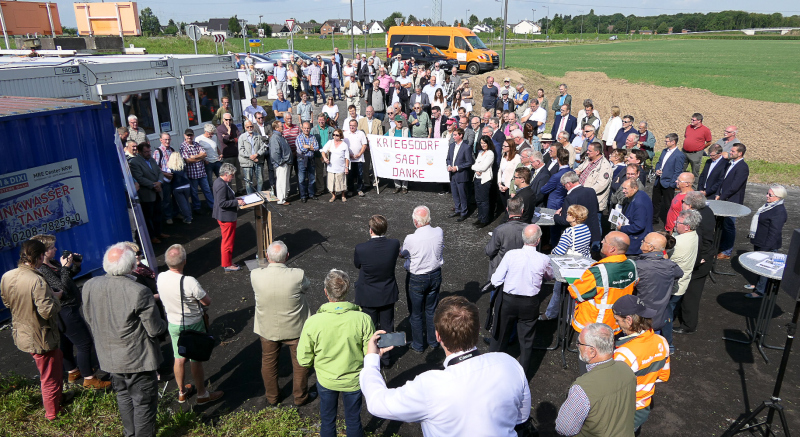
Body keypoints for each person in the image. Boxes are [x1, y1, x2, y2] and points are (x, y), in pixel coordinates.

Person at [360, 296, 531, 436]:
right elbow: (521, 417)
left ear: (438, 336)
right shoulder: (508, 363)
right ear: (478, 330)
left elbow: (377, 403)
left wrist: (371, 359)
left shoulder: (429, 386)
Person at [82, 243, 168, 436]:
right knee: (144, 403)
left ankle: (129, 434)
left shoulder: (89, 285)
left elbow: (89, 318)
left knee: (123, 396)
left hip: (109, 356)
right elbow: (154, 329)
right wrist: (166, 323)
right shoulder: (138, 291)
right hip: (137, 359)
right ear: (131, 266)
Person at [297, 269, 374, 437]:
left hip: (326, 380)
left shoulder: (313, 322)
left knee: (327, 420)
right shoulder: (363, 319)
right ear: (347, 290)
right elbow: (370, 353)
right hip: (353, 380)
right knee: (353, 420)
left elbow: (303, 360)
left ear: (326, 292)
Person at [30, 235, 110, 390]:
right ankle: (89, 379)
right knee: (84, 343)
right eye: (52, 247)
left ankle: (73, 371)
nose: (55, 249)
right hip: (65, 310)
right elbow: (63, 287)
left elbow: (66, 278)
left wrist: (75, 266)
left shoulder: (52, 263)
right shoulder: (43, 270)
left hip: (65, 309)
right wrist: (66, 267)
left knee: (65, 343)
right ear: (44, 252)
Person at [1, 240, 65, 420]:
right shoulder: (36, 280)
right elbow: (47, 311)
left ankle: (57, 402)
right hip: (41, 336)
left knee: (53, 368)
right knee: (49, 377)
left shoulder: (7, 275)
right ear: (39, 257)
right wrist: (56, 297)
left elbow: (7, 302)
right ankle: (53, 413)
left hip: (22, 333)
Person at [157, 245, 223, 404]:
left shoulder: (161, 277)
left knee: (178, 358)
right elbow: (207, 301)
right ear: (184, 262)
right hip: (193, 324)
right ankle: (202, 394)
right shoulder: (189, 281)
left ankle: (181, 392)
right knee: (195, 360)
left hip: (173, 323)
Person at [251, 241, 315, 407]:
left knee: (269, 362)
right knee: (300, 362)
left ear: (267, 257)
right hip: (295, 327)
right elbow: (306, 288)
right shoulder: (297, 275)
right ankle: (300, 397)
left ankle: (272, 397)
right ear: (287, 256)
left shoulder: (255, 274)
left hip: (267, 327)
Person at [489, 224, 554, 377]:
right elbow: (550, 276)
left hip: (508, 301)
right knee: (526, 341)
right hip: (529, 303)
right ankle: (522, 376)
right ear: (538, 241)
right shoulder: (544, 259)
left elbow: (496, 279)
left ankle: (492, 371)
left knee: (500, 335)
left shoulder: (511, 255)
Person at [555, 323, 636, 437]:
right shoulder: (626, 370)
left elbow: (564, 428)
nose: (577, 346)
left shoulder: (582, 388)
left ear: (592, 351)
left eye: (580, 343)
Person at [612, 295, 671, 430]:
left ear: (629, 320)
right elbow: (663, 376)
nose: (617, 324)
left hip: (624, 409)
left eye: (618, 320)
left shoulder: (624, 354)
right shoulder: (662, 341)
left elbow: (613, 389)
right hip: (643, 407)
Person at [353, 215, 401, 368]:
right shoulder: (394, 244)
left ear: (371, 230)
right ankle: (386, 359)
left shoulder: (361, 248)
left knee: (369, 328)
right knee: (387, 326)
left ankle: (371, 358)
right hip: (387, 292)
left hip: (368, 294)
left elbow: (357, 264)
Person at [569, 231, 638, 335]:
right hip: (617, 323)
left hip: (594, 326)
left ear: (612, 248)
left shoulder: (598, 272)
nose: (601, 241)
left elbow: (576, 292)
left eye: (605, 240)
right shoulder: (632, 265)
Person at [401, 206, 445, 353]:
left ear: (415, 221)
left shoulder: (411, 238)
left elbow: (403, 253)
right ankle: (433, 341)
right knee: (431, 309)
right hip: (435, 273)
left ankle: (419, 344)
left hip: (417, 277)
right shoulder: (438, 231)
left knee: (416, 312)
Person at [541, 205, 594, 321]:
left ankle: (551, 314)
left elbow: (559, 251)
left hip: (569, 265)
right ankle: (573, 317)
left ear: (575, 218)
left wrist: (552, 251)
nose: (567, 215)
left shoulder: (569, 231)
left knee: (558, 289)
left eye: (569, 214)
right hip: (583, 264)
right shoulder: (586, 228)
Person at [676, 191, 715, 334]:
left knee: (691, 294)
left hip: (700, 262)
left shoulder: (698, 219)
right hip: (704, 258)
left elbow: (703, 241)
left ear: (691, 205)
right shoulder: (708, 211)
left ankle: (688, 325)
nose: (682, 205)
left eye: (684, 202)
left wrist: (699, 259)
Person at [663, 210, 701, 347]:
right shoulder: (694, 235)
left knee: (666, 315)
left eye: (678, 222)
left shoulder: (677, 241)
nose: (675, 223)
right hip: (683, 283)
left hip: (673, 285)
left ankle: (668, 344)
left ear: (687, 226)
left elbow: (664, 257)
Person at [633, 233, 683, 333]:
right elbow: (680, 273)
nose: (641, 241)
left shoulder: (637, 266)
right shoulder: (670, 265)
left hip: (640, 318)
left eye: (644, 241)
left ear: (650, 247)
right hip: (658, 317)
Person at [744, 185, 787, 298]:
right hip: (760, 241)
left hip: (767, 244)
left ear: (778, 197)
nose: (766, 196)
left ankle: (760, 292)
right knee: (758, 266)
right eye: (767, 193)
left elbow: (774, 233)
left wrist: (765, 249)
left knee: (764, 268)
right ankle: (757, 285)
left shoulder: (779, 212)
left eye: (770, 195)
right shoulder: (769, 206)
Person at [129, 143, 169, 244]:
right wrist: (153, 185)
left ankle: (159, 232)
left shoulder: (152, 160)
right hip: (147, 194)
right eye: (146, 152)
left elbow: (159, 172)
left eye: (149, 151)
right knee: (148, 217)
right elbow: (139, 178)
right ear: (140, 152)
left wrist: (159, 182)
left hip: (158, 191)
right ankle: (152, 236)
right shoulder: (135, 162)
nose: (148, 153)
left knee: (158, 214)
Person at [716, 143, 750, 260]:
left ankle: (726, 252)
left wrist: (721, 196)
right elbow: (723, 180)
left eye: (733, 151)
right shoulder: (730, 164)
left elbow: (735, 186)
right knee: (722, 225)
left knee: (729, 226)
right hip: (724, 198)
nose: (730, 152)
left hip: (732, 201)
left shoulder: (742, 167)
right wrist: (718, 194)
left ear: (740, 153)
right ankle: (720, 246)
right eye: (731, 151)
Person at [212, 162, 246, 272]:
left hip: (223, 216)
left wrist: (235, 199)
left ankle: (228, 262)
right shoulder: (222, 185)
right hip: (226, 217)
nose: (233, 177)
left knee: (227, 241)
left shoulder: (218, 181)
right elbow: (222, 203)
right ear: (226, 174)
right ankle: (227, 264)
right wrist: (236, 202)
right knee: (227, 242)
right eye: (232, 175)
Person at [485, 197, 527, 284]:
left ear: (507, 209)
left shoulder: (500, 230)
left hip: (501, 270)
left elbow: (489, 251)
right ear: (522, 210)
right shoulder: (529, 229)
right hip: (521, 270)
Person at [554, 171, 602, 248]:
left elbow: (565, 221)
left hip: (577, 237)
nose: (565, 188)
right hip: (592, 233)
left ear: (568, 183)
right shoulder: (591, 191)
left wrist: (556, 216)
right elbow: (596, 209)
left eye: (564, 186)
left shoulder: (570, 198)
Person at [652, 133, 686, 225]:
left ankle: (668, 223)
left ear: (673, 142)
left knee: (668, 205)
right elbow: (659, 163)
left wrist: (671, 184)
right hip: (659, 181)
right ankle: (654, 219)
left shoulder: (679, 155)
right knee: (655, 202)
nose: (665, 143)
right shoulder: (664, 151)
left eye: (667, 141)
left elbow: (677, 171)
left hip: (668, 183)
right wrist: (657, 170)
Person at [446, 128, 475, 222]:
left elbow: (469, 162)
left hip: (461, 175)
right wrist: (449, 165)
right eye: (453, 135)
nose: (453, 137)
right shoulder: (451, 146)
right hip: (452, 175)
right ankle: (457, 209)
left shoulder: (466, 147)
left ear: (461, 135)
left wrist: (457, 167)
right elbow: (448, 158)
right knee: (454, 194)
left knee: (462, 194)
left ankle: (464, 212)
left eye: (455, 135)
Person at [618, 179, 653, 255]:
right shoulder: (641, 194)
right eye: (623, 188)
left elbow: (639, 226)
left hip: (637, 244)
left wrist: (622, 228)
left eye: (625, 189)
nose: (623, 191)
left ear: (634, 188)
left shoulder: (638, 203)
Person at [237, 121, 267, 195]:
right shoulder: (242, 137)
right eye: (248, 127)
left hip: (258, 160)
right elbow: (241, 150)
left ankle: (260, 195)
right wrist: (251, 157)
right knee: (248, 182)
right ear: (245, 127)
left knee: (260, 180)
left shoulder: (258, 136)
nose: (250, 128)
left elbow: (263, 147)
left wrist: (257, 154)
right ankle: (250, 197)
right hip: (247, 162)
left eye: (251, 126)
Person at [321, 128, 351, 202]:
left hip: (340, 166)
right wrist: (325, 158)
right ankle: (333, 195)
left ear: (340, 136)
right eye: (333, 135)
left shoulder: (344, 145)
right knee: (332, 183)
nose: (335, 136)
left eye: (337, 135)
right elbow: (323, 151)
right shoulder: (330, 142)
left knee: (341, 182)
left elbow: (347, 157)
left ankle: (343, 195)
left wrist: (346, 167)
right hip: (331, 167)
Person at [472, 135, 495, 228]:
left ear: (488, 143)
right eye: (481, 143)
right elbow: (474, 165)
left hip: (485, 180)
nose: (483, 145)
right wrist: (476, 168)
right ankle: (480, 217)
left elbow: (483, 167)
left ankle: (485, 219)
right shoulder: (480, 152)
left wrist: (475, 167)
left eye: (484, 143)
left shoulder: (490, 153)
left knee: (484, 200)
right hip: (477, 178)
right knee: (478, 200)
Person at [682, 112, 713, 182]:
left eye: (693, 120)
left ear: (699, 121)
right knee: (681, 168)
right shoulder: (688, 127)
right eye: (691, 119)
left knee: (695, 171)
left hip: (696, 153)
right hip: (684, 152)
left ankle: (694, 187)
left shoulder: (705, 130)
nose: (691, 121)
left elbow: (709, 142)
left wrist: (701, 148)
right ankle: (680, 184)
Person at [269, 121, 293, 205]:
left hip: (284, 163)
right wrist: (281, 162)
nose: (282, 127)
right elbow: (275, 153)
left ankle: (283, 198)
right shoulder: (275, 138)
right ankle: (281, 199)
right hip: (281, 164)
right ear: (276, 128)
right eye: (280, 126)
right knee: (281, 182)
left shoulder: (279, 136)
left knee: (284, 182)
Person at [217, 113, 242, 194]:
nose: (228, 121)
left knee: (238, 174)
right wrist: (228, 132)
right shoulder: (220, 128)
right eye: (226, 119)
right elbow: (223, 141)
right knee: (228, 175)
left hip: (236, 154)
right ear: (223, 120)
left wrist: (231, 139)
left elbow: (239, 137)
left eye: (230, 119)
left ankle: (240, 190)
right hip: (227, 155)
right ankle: (230, 192)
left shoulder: (234, 126)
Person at [295, 121, 320, 203]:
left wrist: (307, 146)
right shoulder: (299, 137)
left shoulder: (313, 137)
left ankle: (311, 194)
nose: (306, 130)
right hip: (302, 160)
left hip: (311, 159)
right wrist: (310, 147)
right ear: (302, 128)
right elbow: (302, 149)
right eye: (305, 128)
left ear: (310, 128)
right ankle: (303, 196)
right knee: (302, 179)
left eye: (308, 128)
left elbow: (316, 147)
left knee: (312, 178)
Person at [166, 152, 194, 224]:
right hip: (187, 185)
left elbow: (168, 180)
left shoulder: (170, 168)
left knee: (182, 204)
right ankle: (190, 216)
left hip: (177, 187)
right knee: (187, 201)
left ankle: (188, 219)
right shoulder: (183, 165)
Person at [344, 119, 369, 197]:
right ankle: (350, 189)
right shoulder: (345, 134)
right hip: (349, 158)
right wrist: (349, 155)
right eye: (350, 125)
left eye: (353, 125)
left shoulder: (361, 133)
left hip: (359, 158)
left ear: (356, 126)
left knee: (360, 175)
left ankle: (359, 189)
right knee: (350, 175)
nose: (352, 127)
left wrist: (359, 154)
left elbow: (364, 145)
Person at [197, 123, 222, 191]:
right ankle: (212, 197)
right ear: (206, 131)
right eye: (210, 134)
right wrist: (204, 160)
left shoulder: (214, 137)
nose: (212, 135)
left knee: (222, 178)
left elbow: (216, 147)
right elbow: (198, 152)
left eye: (212, 133)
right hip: (208, 163)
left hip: (216, 160)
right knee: (209, 182)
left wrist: (220, 154)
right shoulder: (199, 139)